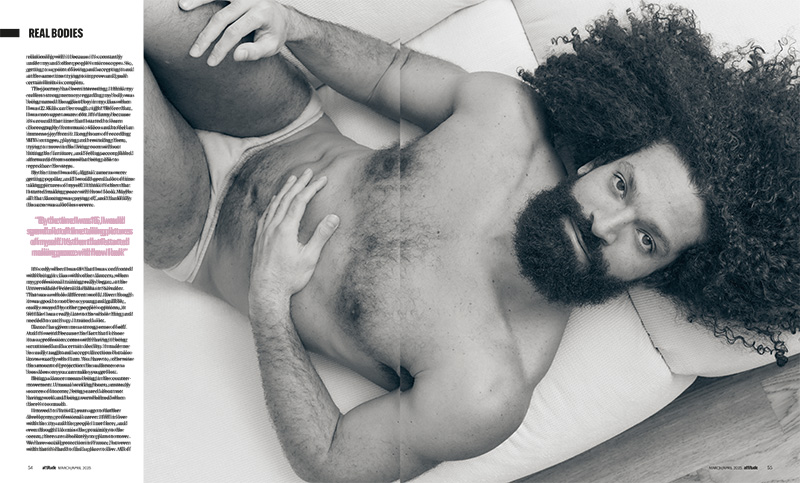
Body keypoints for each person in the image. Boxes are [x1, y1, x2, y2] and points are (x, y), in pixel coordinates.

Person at [144, 0, 799, 480]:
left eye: (647, 239)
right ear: (600, 161)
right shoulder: (509, 118)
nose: (605, 224)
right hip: (278, 119)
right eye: (622, 186)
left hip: (201, 226)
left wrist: (269, 303)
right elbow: (391, 71)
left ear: (665, 272)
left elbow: (335, 460)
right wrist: (296, 26)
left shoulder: (487, 389)